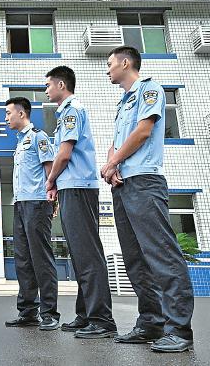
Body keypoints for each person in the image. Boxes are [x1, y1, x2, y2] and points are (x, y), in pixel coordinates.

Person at [102, 46, 194, 353]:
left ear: (126, 63)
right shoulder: (122, 103)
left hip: (144, 181)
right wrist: (112, 166)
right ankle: (151, 322)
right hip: (122, 184)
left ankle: (178, 329)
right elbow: (116, 143)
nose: (107, 70)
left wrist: (113, 163)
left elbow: (143, 132)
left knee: (161, 253)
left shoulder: (149, 89)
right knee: (135, 258)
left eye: (110, 64)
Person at [44, 66, 117, 339]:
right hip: (70, 187)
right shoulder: (65, 113)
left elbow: (64, 154)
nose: (46, 90)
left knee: (88, 255)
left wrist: (50, 180)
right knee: (79, 254)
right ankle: (85, 314)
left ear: (61, 85)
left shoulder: (72, 110)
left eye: (48, 85)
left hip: (78, 187)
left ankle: (102, 320)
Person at [3, 97, 60, 330]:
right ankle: (27, 311)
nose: (6, 118)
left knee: (40, 258)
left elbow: (50, 169)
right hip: (20, 204)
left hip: (37, 203)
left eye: (8, 113)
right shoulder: (20, 142)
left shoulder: (39, 137)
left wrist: (53, 198)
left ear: (21, 113)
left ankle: (49, 313)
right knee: (23, 259)